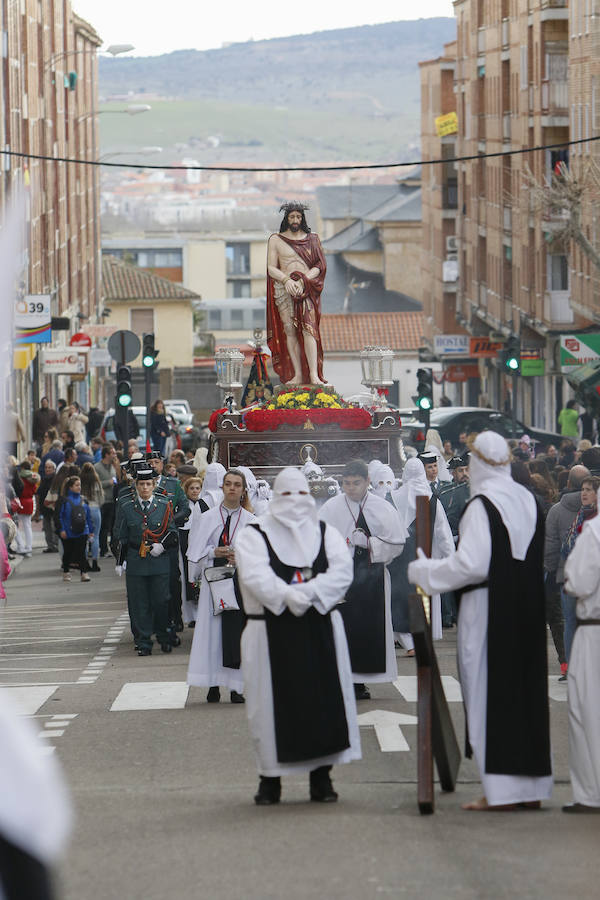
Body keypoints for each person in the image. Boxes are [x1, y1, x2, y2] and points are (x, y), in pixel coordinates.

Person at [408, 431, 553, 811]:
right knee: (525, 692)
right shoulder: (529, 500)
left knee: (488, 692)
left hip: (488, 609)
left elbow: (470, 565)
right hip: (526, 608)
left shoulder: (481, 505)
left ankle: (500, 792)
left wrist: (425, 572)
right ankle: (529, 789)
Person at [235, 468, 360, 805]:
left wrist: (308, 595)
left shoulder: (325, 532)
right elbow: (254, 574)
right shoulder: (254, 534)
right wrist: (289, 597)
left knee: (323, 700)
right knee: (266, 705)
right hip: (268, 629)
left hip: (319, 628)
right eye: (287, 494)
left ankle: (321, 778)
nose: (295, 502)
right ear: (275, 496)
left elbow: (341, 571)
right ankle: (270, 779)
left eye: (302, 494)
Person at [320, 459, 406, 700]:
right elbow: (318, 538)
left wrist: (369, 544)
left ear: (367, 481)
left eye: (356, 483)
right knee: (341, 628)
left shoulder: (382, 507)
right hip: (342, 577)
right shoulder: (331, 508)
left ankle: (359, 681)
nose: (351, 488)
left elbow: (397, 543)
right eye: (346, 483)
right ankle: (339, 677)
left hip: (372, 578)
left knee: (367, 629)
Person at [186, 469, 256, 702]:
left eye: (237, 484)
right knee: (212, 635)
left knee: (236, 634)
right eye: (228, 484)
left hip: (239, 585)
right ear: (222, 487)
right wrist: (213, 552)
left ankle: (236, 686)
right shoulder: (208, 518)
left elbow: (259, 556)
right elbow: (195, 552)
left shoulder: (251, 521)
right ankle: (212, 684)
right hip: (214, 582)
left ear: (243, 489)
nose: (232, 488)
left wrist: (242, 558)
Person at [390, 458, 455, 650]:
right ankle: (416, 639)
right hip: (424, 555)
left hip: (398, 557)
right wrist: (451, 559)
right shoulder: (432, 499)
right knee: (419, 596)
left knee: (400, 597)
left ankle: (407, 641)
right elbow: (443, 533)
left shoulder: (392, 497)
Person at [116, 466, 178, 656]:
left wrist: (163, 546)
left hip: (159, 561)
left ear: (153, 485)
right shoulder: (127, 507)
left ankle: (164, 636)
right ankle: (144, 643)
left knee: (161, 601)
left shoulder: (163, 504)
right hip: (136, 560)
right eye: (141, 484)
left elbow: (172, 532)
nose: (144, 488)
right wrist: (120, 561)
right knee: (139, 603)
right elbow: (122, 536)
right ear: (136, 485)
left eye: (148, 484)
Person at [562, 510, 600, 813]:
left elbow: (578, 582)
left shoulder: (594, 533)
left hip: (594, 631)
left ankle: (590, 793)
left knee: (587, 711)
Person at [266, 201, 327, 386]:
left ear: (303, 218)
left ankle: (314, 376)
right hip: (284, 290)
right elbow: (271, 268)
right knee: (289, 331)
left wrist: (303, 280)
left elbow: (320, 265)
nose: (295, 220)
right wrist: (286, 280)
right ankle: (298, 375)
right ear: (286, 218)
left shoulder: (313, 239)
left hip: (305, 289)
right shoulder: (276, 240)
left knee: (309, 330)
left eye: (298, 217)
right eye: (292, 217)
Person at [544, 465, 592, 677]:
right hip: (592, 576)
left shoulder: (556, 510)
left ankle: (570, 665)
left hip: (566, 575)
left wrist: (551, 571)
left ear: (569, 483)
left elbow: (552, 545)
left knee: (569, 621)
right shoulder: (593, 510)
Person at [147, 450, 190, 638]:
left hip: (169, 538)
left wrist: (171, 519)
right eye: (150, 463)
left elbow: (185, 507)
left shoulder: (172, 484)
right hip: (148, 540)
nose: (153, 466)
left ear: (162, 465)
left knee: (173, 578)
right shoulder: (143, 486)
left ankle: (176, 616)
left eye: (156, 462)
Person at [557, 475, 599, 667]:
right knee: (571, 622)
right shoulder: (580, 514)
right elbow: (566, 547)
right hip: (572, 576)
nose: (584, 493)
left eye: (589, 489)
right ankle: (572, 665)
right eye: (583, 489)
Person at [178, 477, 208, 628]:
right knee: (189, 579)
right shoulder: (185, 507)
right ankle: (191, 615)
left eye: (198, 488)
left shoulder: (205, 504)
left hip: (201, 544)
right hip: (186, 542)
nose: (195, 491)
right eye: (192, 489)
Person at [58, 475, 93, 584]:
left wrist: (91, 531)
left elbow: (88, 517)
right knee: (68, 552)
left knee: (81, 553)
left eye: (80, 485)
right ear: (70, 487)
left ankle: (84, 573)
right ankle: (66, 571)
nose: (79, 487)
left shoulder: (84, 500)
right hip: (68, 532)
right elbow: (59, 516)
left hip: (82, 531)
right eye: (77, 485)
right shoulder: (64, 500)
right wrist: (62, 529)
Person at [80, 462, 104, 573]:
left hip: (84, 509)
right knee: (96, 536)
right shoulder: (96, 482)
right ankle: (95, 561)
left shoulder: (80, 483)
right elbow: (101, 499)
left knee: (84, 537)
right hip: (95, 509)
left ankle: (85, 562)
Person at [12, 462, 40, 558]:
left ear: (23, 468)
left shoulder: (19, 477)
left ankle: (21, 545)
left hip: (19, 502)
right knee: (28, 526)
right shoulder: (33, 478)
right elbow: (35, 490)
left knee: (14, 525)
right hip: (29, 502)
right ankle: (29, 547)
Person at [94, 444, 117, 557]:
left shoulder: (113, 467)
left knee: (110, 526)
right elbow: (95, 484)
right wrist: (109, 483)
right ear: (106, 455)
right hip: (102, 501)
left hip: (112, 500)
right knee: (102, 527)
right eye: (113, 453)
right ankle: (103, 549)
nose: (115, 455)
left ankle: (109, 548)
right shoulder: (97, 467)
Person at [38, 459, 59, 553]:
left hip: (53, 507)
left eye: (50, 467)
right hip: (44, 507)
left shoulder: (56, 479)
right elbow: (39, 492)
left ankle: (55, 545)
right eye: (46, 467)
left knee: (54, 526)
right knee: (47, 528)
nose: (47, 469)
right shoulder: (44, 479)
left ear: (54, 469)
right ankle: (50, 546)